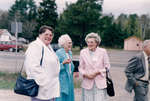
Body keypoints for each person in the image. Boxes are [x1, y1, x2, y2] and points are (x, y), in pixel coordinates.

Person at [24, 25, 60, 101]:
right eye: (46, 34)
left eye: (51, 35)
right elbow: (33, 67)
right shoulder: (35, 46)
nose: (49, 37)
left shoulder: (49, 47)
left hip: (50, 90)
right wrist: (45, 81)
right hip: (41, 89)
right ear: (40, 35)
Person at [78, 32, 111, 101]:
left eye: (92, 42)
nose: (89, 44)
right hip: (87, 82)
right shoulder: (83, 52)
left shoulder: (103, 51)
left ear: (96, 43)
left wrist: (98, 72)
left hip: (100, 82)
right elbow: (80, 67)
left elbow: (107, 66)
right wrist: (86, 74)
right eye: (88, 42)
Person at [55, 34, 75, 101]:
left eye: (71, 43)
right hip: (61, 81)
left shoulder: (70, 53)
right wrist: (63, 63)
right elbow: (54, 67)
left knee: (69, 98)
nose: (70, 44)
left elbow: (70, 68)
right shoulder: (58, 53)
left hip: (69, 81)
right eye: (68, 43)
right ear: (63, 44)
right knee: (61, 98)